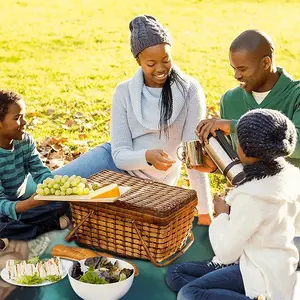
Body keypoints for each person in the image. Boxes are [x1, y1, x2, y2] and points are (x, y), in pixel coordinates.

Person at [53, 15, 213, 225]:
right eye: (151, 63)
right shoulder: (124, 92)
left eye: (166, 60)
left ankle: (61, 218)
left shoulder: (190, 90)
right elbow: (119, 155)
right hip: (112, 163)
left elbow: (193, 156)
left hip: (150, 185)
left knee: (78, 211)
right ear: (138, 61)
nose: (160, 68)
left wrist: (205, 212)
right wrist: (147, 156)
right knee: (49, 190)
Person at [165, 108, 300, 300]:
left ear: (244, 150)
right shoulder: (291, 177)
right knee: (175, 274)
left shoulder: (252, 197)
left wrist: (222, 215)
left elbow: (226, 253)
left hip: (259, 273)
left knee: (188, 293)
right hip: (274, 265)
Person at [195, 29, 300, 170]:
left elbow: (297, 144)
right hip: (249, 189)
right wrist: (215, 167)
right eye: (234, 68)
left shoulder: (296, 95)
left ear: (266, 63)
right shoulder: (230, 100)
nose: (236, 75)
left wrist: (234, 126)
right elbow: (238, 161)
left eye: (242, 69)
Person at [0, 90, 70, 241]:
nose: (24, 122)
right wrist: (28, 205)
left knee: (63, 202)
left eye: (24, 116)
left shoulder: (25, 141)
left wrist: (53, 189)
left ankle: (15, 233)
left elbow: (40, 172)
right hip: (4, 208)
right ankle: (44, 227)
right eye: (17, 118)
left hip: (21, 202)